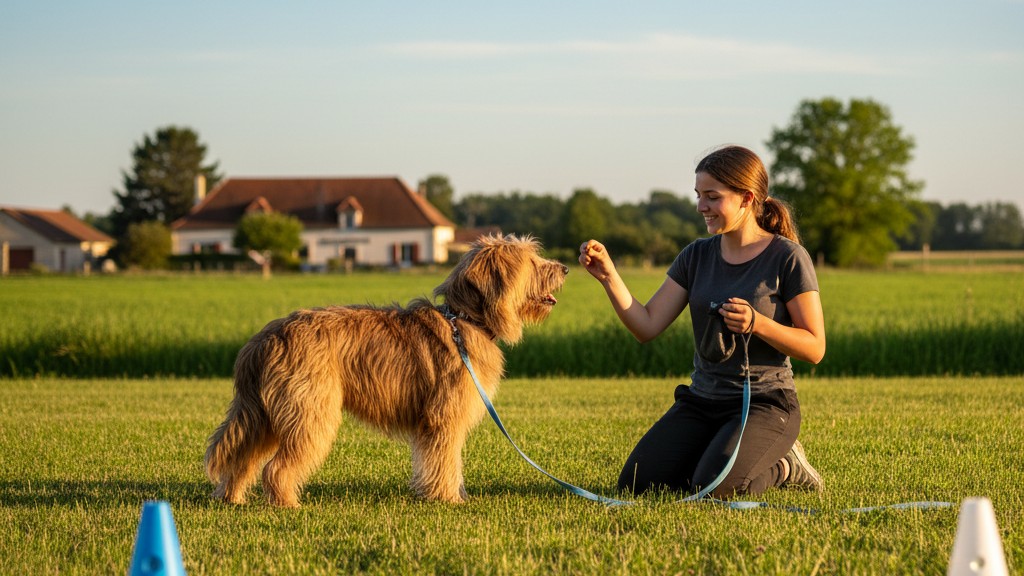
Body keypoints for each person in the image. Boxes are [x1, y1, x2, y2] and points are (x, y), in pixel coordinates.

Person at [578, 145, 826, 498]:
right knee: (637, 484)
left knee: (713, 490)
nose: (700, 206)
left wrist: (757, 323)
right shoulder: (695, 256)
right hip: (702, 401)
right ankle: (713, 456)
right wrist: (608, 276)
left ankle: (786, 466)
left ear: (746, 198)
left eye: (712, 197)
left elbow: (815, 348)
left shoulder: (788, 257)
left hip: (764, 403)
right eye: (698, 195)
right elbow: (647, 325)